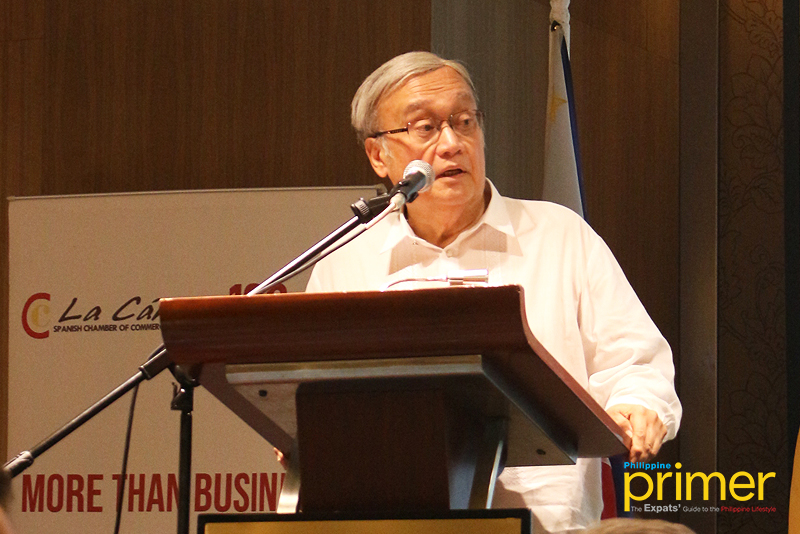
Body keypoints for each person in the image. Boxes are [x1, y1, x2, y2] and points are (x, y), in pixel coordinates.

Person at [305, 51, 682, 533]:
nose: (451, 143)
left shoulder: (559, 236)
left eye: (465, 121)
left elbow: (634, 363)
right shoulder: (346, 262)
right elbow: (313, 395)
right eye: (425, 127)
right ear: (379, 155)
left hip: (545, 523)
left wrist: (637, 404)